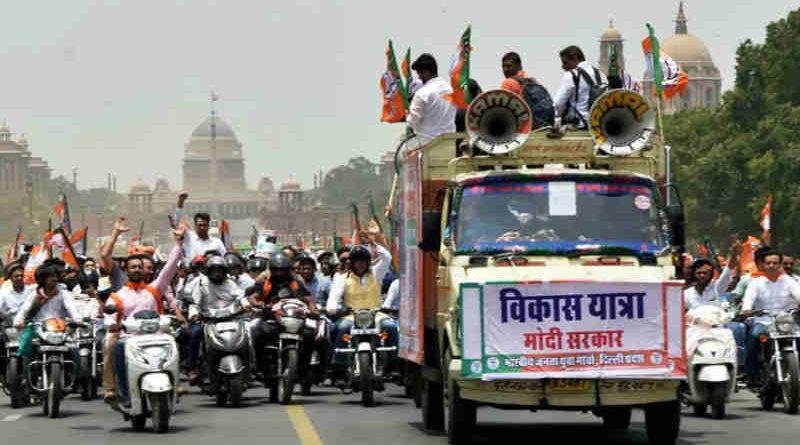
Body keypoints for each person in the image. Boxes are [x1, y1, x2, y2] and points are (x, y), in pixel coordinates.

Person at [102, 225, 185, 403]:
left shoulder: (154, 289)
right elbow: (109, 316)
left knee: (174, 342)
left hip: (156, 334)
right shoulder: (118, 296)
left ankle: (175, 383)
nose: (138, 270)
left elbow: (170, 268)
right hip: (128, 337)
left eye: (140, 267)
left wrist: (178, 244)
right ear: (126, 271)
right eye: (133, 267)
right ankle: (115, 389)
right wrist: (112, 325)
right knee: (112, 345)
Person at [326, 242, 396, 387]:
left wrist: (374, 242)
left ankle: (394, 364)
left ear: (368, 262)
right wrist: (333, 309)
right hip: (351, 316)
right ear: (351, 263)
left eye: (363, 261)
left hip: (376, 314)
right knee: (341, 328)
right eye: (357, 261)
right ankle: (339, 367)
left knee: (390, 326)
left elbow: (387, 258)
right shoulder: (342, 278)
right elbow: (333, 299)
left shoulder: (376, 273)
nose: (360, 264)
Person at [741, 250, 800, 385]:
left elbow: (798, 294)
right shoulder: (756, 283)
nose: (772, 266)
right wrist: (747, 309)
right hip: (763, 321)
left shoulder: (789, 281)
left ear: (780, 265)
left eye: (775, 263)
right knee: (754, 336)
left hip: (785, 322)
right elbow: (748, 299)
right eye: (768, 263)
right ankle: (752, 374)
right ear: (763, 265)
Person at [683, 250, 746, 369]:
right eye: (699, 272)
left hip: (718, 330)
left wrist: (734, 253)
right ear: (694, 274)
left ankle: (736, 372)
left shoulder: (717, 288)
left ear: (711, 274)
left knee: (731, 345)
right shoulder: (687, 294)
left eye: (705, 273)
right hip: (695, 331)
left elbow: (728, 270)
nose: (702, 275)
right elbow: (683, 312)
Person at [192, 256, 248, 388]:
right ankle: (195, 368)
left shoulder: (230, 283)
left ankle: (251, 366)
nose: (217, 273)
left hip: (231, 319)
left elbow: (240, 296)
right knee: (195, 334)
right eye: (214, 270)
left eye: (220, 270)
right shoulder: (202, 283)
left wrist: (245, 304)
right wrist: (194, 314)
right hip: (209, 321)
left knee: (248, 334)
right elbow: (195, 302)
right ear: (208, 271)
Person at [407, 53, 457, 147]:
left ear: (426, 72)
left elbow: (412, 121)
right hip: (450, 145)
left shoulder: (422, 93)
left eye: (419, 73)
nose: (419, 77)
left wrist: (407, 115)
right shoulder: (451, 90)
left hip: (429, 147)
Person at [553, 45, 608, 129]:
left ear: (575, 59)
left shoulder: (570, 75)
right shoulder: (601, 75)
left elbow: (558, 103)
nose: (563, 67)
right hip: (600, 123)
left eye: (565, 62)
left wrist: (555, 119)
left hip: (579, 124)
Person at [176, 192, 226, 263]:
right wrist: (180, 201)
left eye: (204, 225)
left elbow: (224, 260)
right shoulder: (189, 237)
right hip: (192, 273)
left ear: (208, 226)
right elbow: (178, 221)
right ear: (195, 225)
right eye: (199, 225)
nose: (202, 227)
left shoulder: (217, 242)